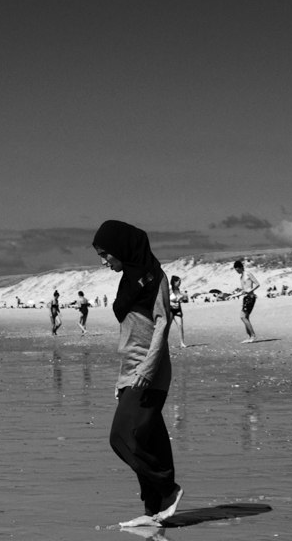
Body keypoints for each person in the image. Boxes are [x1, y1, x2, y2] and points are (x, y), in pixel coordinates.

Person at [93, 220, 183, 528]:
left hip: (149, 373)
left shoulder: (155, 277)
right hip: (130, 372)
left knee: (122, 437)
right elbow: (130, 337)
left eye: (106, 254)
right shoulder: (128, 280)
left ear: (121, 248)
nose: (105, 262)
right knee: (148, 439)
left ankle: (168, 490)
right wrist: (122, 378)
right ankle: (152, 512)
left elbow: (162, 324)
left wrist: (145, 369)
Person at [236, 259, 259, 343]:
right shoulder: (241, 277)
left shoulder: (248, 274)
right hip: (246, 297)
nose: (237, 272)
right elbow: (243, 290)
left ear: (241, 267)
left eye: (238, 270)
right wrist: (235, 295)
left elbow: (257, 284)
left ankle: (253, 335)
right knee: (246, 317)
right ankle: (249, 337)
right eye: (236, 270)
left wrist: (250, 291)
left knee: (242, 316)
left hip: (251, 297)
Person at [169, 276, 187, 348]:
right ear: (174, 282)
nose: (180, 284)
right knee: (167, 327)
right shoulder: (169, 289)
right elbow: (165, 298)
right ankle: (163, 342)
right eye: (179, 282)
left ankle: (182, 343)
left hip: (178, 309)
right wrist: (171, 302)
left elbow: (178, 300)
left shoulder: (178, 289)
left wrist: (180, 299)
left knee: (180, 325)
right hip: (170, 309)